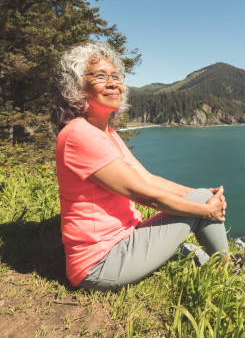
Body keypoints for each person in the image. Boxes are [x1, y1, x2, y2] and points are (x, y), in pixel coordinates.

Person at [54, 42, 229, 290]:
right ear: (77, 85)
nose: (113, 83)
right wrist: (206, 211)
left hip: (125, 239)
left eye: (116, 76)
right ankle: (231, 273)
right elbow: (145, 195)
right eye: (100, 76)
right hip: (100, 263)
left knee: (200, 209)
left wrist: (202, 193)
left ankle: (227, 269)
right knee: (200, 204)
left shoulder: (106, 133)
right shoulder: (79, 135)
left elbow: (148, 179)